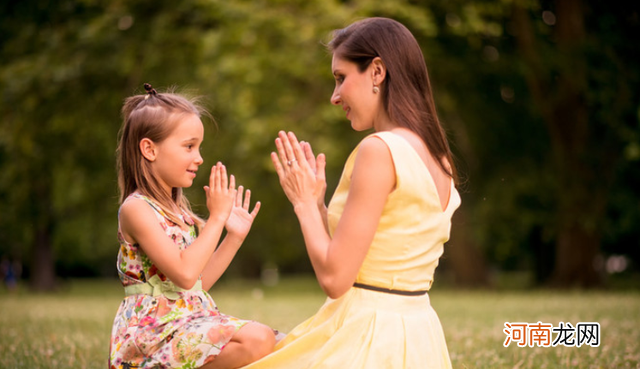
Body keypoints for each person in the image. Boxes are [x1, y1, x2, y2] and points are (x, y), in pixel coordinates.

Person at [242, 17, 461, 369]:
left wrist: (302, 205)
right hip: (420, 342)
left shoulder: (379, 150)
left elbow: (335, 278)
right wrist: (317, 203)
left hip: (366, 340)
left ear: (377, 71)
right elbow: (376, 253)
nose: (335, 96)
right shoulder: (439, 157)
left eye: (341, 78)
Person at [109, 83, 280, 369]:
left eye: (199, 147)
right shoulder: (136, 209)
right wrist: (215, 219)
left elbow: (196, 286)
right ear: (149, 149)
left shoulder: (178, 212)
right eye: (189, 146)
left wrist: (233, 237)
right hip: (153, 338)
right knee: (259, 340)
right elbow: (186, 274)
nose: (199, 158)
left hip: (186, 324)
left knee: (282, 343)